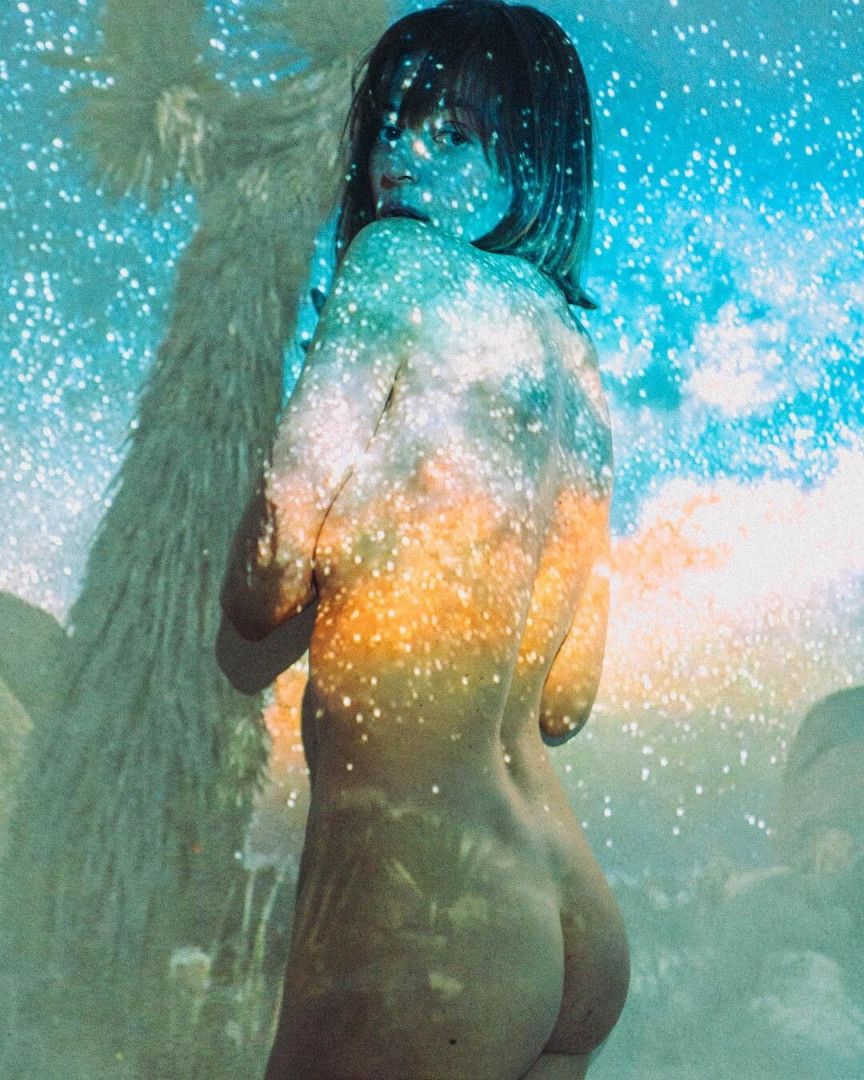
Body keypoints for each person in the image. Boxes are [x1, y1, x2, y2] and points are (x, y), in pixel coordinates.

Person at [219, 2, 629, 1077]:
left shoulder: (393, 263)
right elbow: (566, 700)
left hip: (428, 908)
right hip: (566, 910)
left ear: (534, 160)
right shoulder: (578, 364)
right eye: (393, 122)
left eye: (454, 130)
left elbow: (261, 585)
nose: (402, 152)